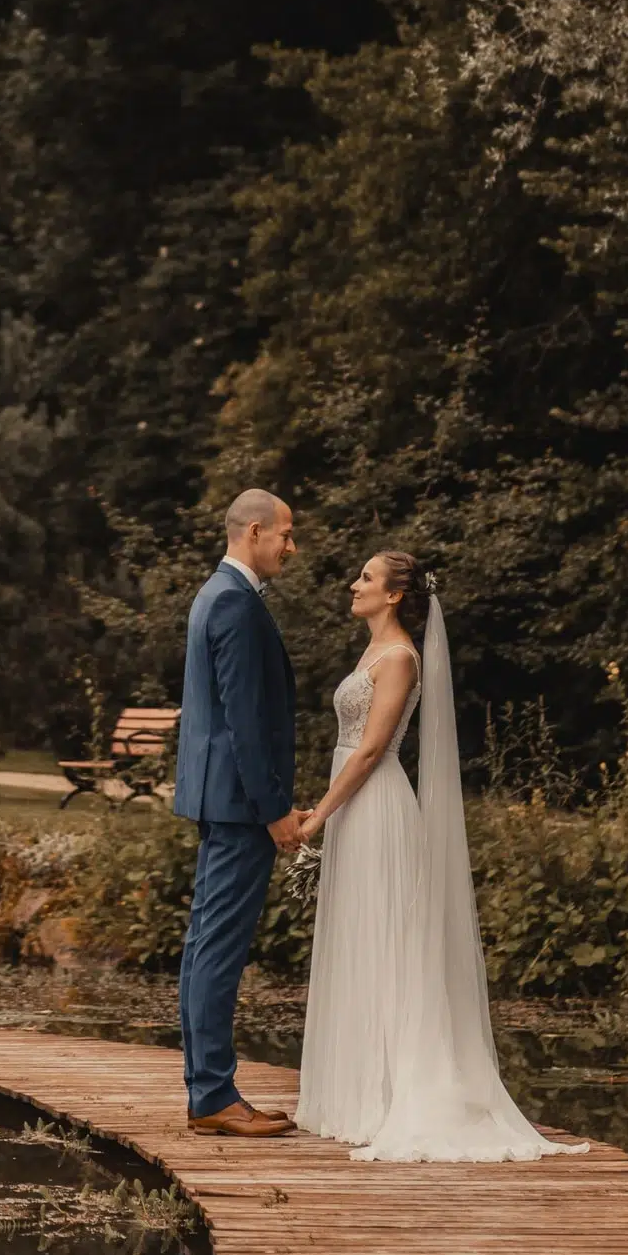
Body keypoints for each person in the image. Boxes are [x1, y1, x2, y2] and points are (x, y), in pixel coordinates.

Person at [295, 551, 580, 1162]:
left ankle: (390, 1094)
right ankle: (356, 1094)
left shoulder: (399, 657)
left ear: (395, 595)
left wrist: (318, 813)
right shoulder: (372, 652)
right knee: (358, 936)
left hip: (375, 805)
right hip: (352, 805)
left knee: (386, 938)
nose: (354, 584)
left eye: (366, 578)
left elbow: (371, 750)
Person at [174, 487, 305, 1137]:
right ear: (252, 531)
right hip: (238, 804)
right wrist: (274, 809)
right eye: (283, 532)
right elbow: (245, 723)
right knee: (217, 947)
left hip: (219, 797)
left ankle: (207, 1091)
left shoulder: (213, 595)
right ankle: (214, 1095)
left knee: (205, 944)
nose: (290, 544)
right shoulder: (234, 604)